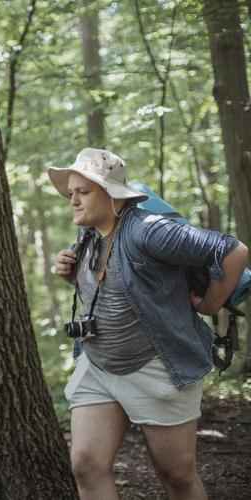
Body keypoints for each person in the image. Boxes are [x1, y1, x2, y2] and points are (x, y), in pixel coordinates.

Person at [49, 148, 248, 500]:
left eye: (83, 192)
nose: (73, 201)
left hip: (157, 366)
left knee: (176, 476)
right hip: (98, 365)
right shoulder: (89, 236)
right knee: (85, 464)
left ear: (111, 194)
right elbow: (114, 291)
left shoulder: (150, 231)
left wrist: (211, 303)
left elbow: (234, 250)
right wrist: (72, 275)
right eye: (71, 194)